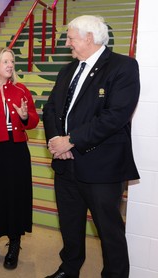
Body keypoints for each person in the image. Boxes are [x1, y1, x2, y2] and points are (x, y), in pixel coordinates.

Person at [42, 15, 140, 278]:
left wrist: (71, 140)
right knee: (70, 224)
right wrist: (56, 143)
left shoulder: (123, 67)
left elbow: (115, 116)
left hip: (102, 167)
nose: (67, 43)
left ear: (89, 37)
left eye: (71, 37)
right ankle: (69, 269)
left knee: (109, 231)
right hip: (65, 165)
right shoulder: (67, 70)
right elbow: (50, 109)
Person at [0, 47, 39, 270]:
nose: (10, 65)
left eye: (12, 61)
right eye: (5, 61)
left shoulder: (21, 89)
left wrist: (25, 117)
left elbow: (33, 120)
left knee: (16, 198)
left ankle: (14, 244)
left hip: (16, 151)